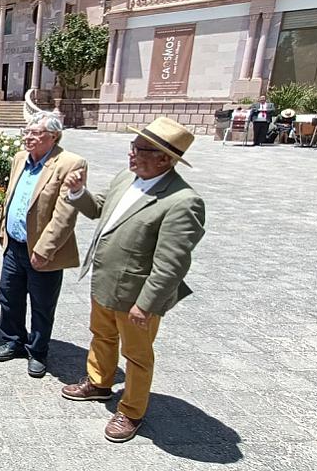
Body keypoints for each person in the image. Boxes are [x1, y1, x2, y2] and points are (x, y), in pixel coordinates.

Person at [60, 117, 206, 443]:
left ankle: (131, 410)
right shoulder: (127, 177)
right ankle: (99, 382)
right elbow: (99, 209)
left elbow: (172, 263)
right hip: (105, 281)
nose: (131, 154)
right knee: (101, 335)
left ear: (165, 159)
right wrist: (77, 192)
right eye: (133, 146)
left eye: (140, 149)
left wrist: (147, 304)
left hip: (138, 295)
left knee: (137, 356)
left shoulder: (182, 201)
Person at [0, 111, 87, 378]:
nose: (27, 137)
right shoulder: (20, 159)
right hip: (15, 244)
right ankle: (14, 339)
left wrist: (44, 250)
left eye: (34, 134)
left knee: (42, 303)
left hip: (43, 251)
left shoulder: (70, 163)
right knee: (9, 295)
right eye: (26, 132)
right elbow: (11, 197)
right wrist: (3, 231)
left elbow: (65, 214)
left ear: (53, 137)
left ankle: (38, 350)